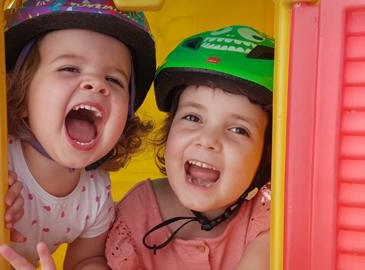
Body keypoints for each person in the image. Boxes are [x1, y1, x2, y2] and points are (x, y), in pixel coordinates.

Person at [0, 0, 156, 268]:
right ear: (22, 93)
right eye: (69, 68)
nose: (96, 84)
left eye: (114, 80)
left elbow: (86, 260)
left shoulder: (95, 192)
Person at [105, 25, 274, 270]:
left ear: (265, 156)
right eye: (193, 118)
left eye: (238, 129)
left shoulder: (267, 217)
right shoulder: (136, 214)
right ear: (169, 129)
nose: (208, 140)